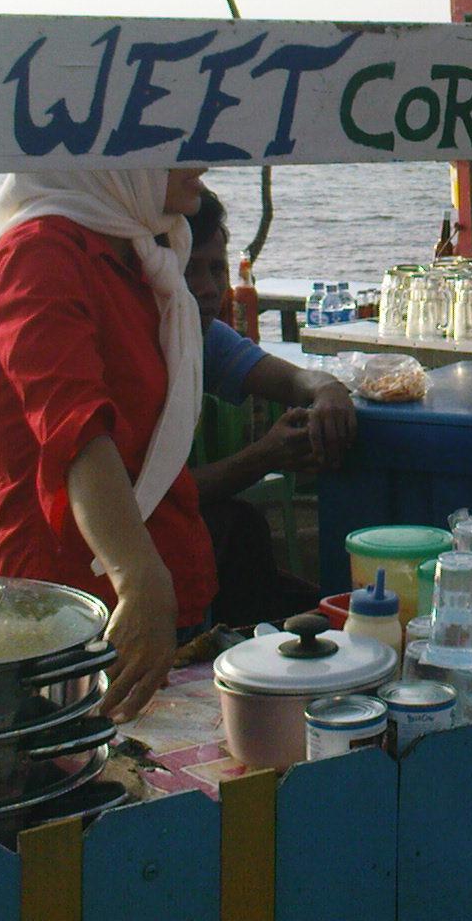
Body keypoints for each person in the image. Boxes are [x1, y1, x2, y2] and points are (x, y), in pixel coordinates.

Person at [0, 167, 217, 723]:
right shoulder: (37, 257)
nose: (203, 162)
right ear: (118, 155)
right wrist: (137, 576)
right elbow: (74, 429)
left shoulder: (140, 251)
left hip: (163, 599)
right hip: (70, 618)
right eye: (177, 144)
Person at [181, 187, 358, 627]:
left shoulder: (204, 337)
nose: (207, 289)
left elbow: (293, 378)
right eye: (189, 270)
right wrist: (264, 456)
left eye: (216, 269)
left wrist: (328, 390)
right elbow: (151, 498)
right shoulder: (133, 346)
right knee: (239, 529)